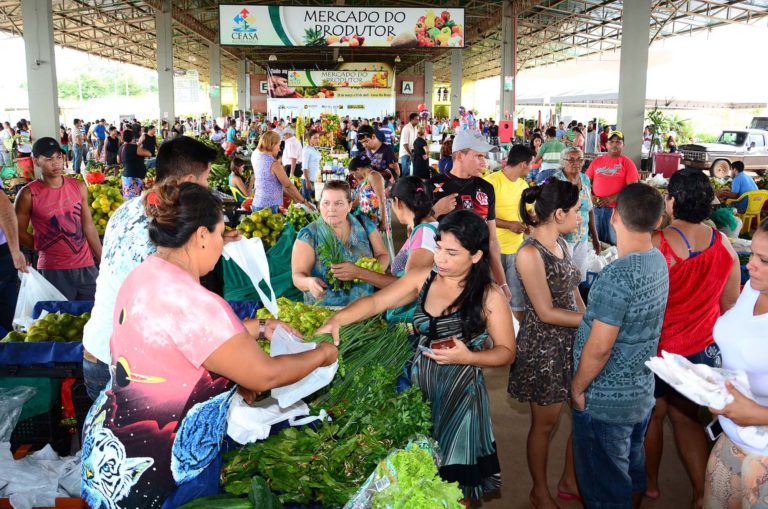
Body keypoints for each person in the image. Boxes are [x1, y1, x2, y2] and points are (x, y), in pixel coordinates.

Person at [80, 181, 338, 509]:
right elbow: (265, 376)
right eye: (219, 234)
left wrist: (259, 328)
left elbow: (178, 336)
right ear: (201, 236)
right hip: (156, 471)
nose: (221, 244)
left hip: (108, 452)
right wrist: (321, 354)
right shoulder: (195, 301)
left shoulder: (143, 275)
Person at [318, 210, 516, 502]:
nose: (441, 258)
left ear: (475, 256)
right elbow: (376, 302)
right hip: (417, 395)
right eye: (438, 248)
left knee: (458, 483)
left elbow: (506, 353)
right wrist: (338, 320)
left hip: (461, 401)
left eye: (451, 253)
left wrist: (468, 357)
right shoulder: (424, 279)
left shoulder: (489, 296)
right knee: (418, 479)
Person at [82, 137, 230, 400]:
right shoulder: (165, 235)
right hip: (124, 364)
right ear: (191, 182)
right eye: (206, 179)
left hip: (96, 350)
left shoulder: (127, 209)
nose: (207, 187)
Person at [644, 169, 741, 507]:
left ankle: (651, 484)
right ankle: (703, 492)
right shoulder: (723, 243)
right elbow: (729, 305)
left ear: (671, 200)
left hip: (659, 353)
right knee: (687, 420)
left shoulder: (657, 243)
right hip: (701, 351)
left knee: (652, 418)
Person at [571, 183, 668, 509]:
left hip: (606, 402)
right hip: (639, 393)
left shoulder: (618, 276)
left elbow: (600, 347)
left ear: (613, 216)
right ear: (658, 221)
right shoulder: (658, 260)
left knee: (604, 491)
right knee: (629, 475)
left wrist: (578, 388)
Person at [704, 219, 768, 508]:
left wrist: (757, 414)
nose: (750, 264)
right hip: (732, 438)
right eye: (752, 254)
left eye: (763, 260)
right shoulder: (753, 289)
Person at [429, 129, 511, 304]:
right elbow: (415, 232)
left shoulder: (486, 188)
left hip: (478, 274)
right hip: (442, 274)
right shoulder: (433, 186)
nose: (484, 162)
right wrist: (435, 211)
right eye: (478, 156)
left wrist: (502, 282)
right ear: (459, 156)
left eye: (484, 157)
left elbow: (493, 241)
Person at [15, 137, 101, 300]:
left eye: (59, 157)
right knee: (60, 320)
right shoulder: (28, 194)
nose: (56, 163)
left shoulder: (79, 186)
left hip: (86, 266)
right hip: (54, 270)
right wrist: (40, 245)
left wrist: (102, 259)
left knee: (95, 316)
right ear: (36, 161)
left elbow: (89, 226)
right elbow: (17, 231)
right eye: (49, 159)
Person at [292, 180, 388, 307]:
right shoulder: (309, 235)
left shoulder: (364, 224)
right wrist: (309, 282)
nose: (331, 209)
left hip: (366, 307)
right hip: (325, 311)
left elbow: (382, 254)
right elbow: (298, 276)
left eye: (339, 203)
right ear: (319, 204)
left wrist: (369, 274)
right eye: (326, 203)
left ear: (349, 205)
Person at [484, 145, 534, 322]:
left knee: (516, 301)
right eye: (531, 164)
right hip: (492, 250)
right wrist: (509, 225)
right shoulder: (491, 182)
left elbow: (529, 213)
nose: (532, 167)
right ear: (522, 164)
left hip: (516, 250)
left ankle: (515, 339)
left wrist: (530, 224)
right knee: (490, 299)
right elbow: (482, 215)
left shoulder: (523, 185)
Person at [554, 146, 601, 281]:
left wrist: (596, 239)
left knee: (578, 277)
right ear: (563, 161)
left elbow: (590, 210)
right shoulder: (556, 181)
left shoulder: (585, 179)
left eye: (580, 159)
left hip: (582, 237)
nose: (577, 163)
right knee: (562, 277)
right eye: (572, 159)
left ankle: (577, 301)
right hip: (561, 239)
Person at [586, 131, 639, 245]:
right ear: (606, 144)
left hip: (616, 210)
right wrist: (591, 196)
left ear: (623, 145)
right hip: (595, 209)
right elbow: (585, 182)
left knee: (614, 242)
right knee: (595, 242)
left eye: (618, 142)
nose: (614, 144)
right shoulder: (597, 161)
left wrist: (613, 198)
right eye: (611, 142)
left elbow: (633, 188)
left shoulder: (627, 163)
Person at [250, 131, 309, 212]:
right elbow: (288, 185)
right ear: (272, 145)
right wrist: (304, 201)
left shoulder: (256, 155)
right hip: (269, 207)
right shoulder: (274, 164)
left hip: (257, 203)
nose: (279, 148)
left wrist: (295, 199)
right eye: (278, 145)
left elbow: (276, 183)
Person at [349, 155, 387, 229]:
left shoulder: (374, 176)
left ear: (358, 169)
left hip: (373, 218)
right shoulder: (366, 178)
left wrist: (383, 221)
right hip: (366, 217)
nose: (354, 176)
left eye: (353, 173)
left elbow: (381, 199)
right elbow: (361, 198)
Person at [118, 129, 152, 199]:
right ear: (132, 138)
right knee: (135, 200)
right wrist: (139, 143)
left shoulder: (121, 148)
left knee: (128, 199)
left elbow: (118, 161)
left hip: (126, 176)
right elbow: (149, 154)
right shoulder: (134, 147)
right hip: (134, 178)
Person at [301, 130, 321, 202]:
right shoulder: (306, 150)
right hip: (308, 180)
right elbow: (304, 167)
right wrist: (307, 182)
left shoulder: (314, 148)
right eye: (315, 138)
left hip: (314, 179)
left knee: (313, 202)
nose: (317, 140)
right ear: (309, 138)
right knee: (308, 203)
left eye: (318, 138)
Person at [398, 113, 419, 177]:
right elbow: (405, 143)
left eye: (418, 119)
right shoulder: (406, 128)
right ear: (412, 120)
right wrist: (410, 154)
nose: (418, 121)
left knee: (411, 170)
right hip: (405, 153)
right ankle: (404, 185)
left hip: (412, 151)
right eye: (416, 119)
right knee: (405, 171)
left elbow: (415, 141)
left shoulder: (415, 128)